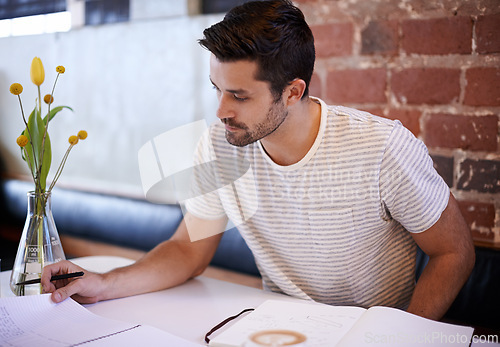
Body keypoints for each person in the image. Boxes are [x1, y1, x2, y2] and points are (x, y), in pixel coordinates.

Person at [42, 0, 474, 321]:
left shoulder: (383, 148)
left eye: (240, 95)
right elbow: (186, 250)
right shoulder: (219, 145)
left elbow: (455, 253)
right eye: (217, 88)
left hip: (372, 331)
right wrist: (103, 284)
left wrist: (399, 336)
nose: (220, 110)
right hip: (280, 329)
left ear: (293, 91)